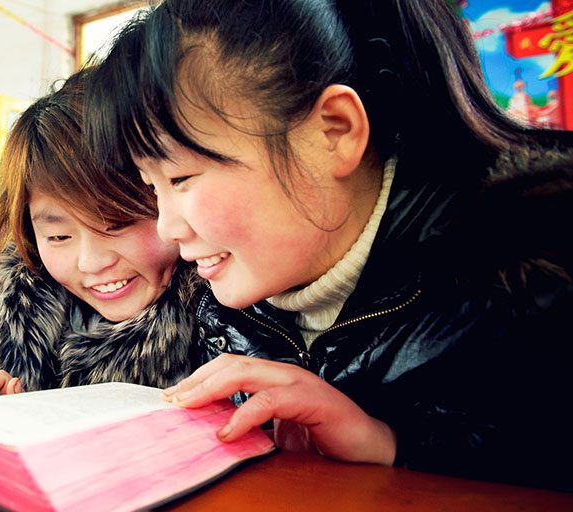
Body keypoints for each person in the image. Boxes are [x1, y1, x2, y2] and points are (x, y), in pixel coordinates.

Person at [84, 0, 573, 491]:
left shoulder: (534, 279)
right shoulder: (221, 300)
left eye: (181, 177)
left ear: (335, 132)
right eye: (152, 187)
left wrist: (391, 447)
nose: (167, 229)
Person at [0, 68, 204, 396]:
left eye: (118, 223)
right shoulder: (3, 319)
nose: (91, 263)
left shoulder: (232, 318)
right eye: (58, 237)